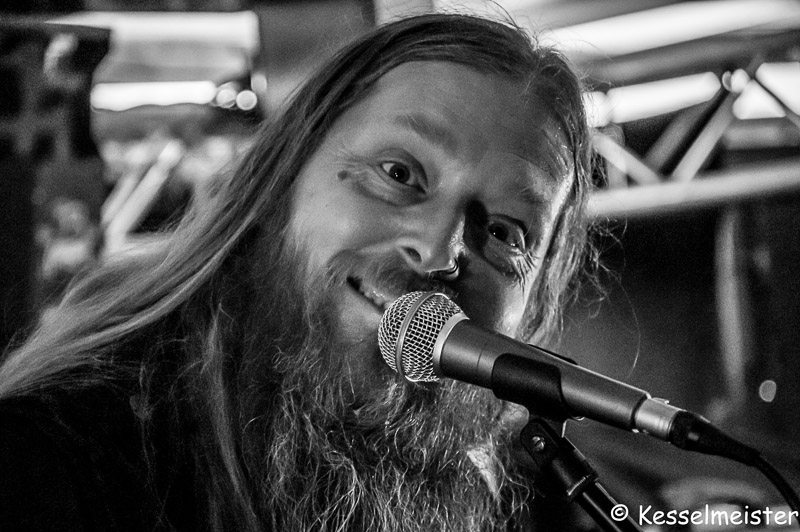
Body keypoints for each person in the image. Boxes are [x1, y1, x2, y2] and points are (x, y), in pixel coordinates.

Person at [0, 12, 595, 532]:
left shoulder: (529, 505)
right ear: (279, 184)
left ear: (534, 305)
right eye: (399, 173)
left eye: (505, 233)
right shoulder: (53, 466)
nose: (439, 253)